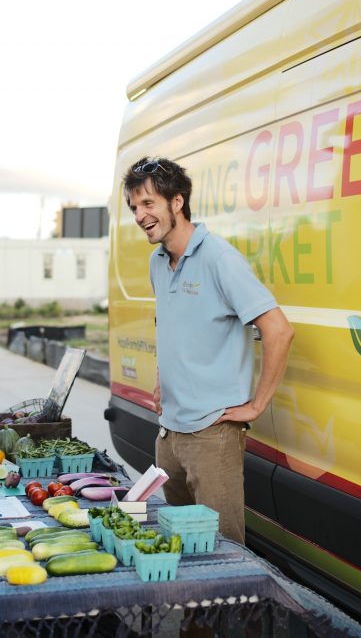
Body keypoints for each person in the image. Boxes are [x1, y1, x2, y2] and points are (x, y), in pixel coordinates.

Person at [123, 156, 294, 544]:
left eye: (148, 203)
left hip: (212, 437)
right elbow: (169, 323)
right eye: (134, 207)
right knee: (181, 547)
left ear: (177, 202)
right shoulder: (157, 261)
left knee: (223, 554)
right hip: (168, 436)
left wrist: (255, 406)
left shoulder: (219, 258)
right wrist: (160, 380)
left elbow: (279, 331)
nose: (139, 215)